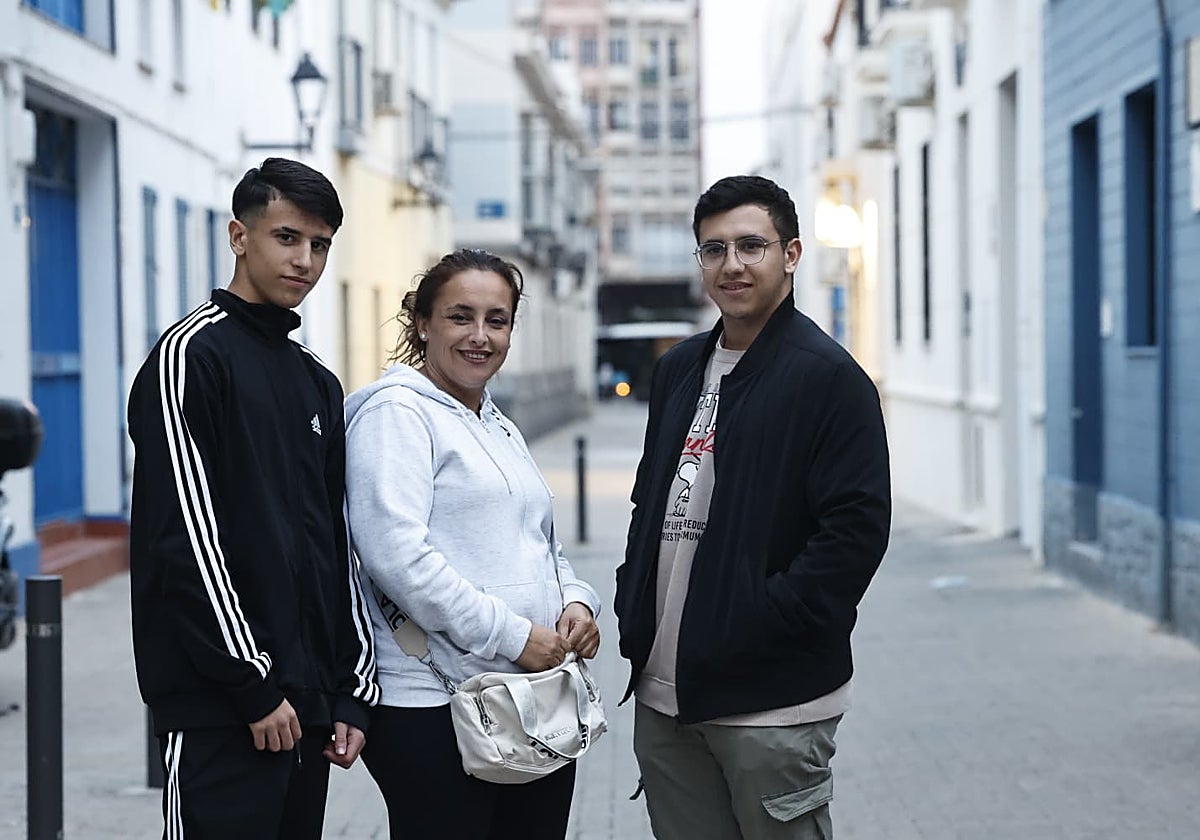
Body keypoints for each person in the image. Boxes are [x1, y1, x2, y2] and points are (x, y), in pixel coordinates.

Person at [614, 175, 891, 839]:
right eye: (713, 249)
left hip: (772, 702)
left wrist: (760, 621)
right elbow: (649, 502)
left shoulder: (829, 379)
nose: (731, 264)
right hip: (664, 695)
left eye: (750, 246)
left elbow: (854, 535)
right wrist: (632, 604)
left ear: (790, 254)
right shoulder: (679, 368)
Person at [127, 157, 379, 839]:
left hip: (307, 707)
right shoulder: (191, 356)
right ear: (240, 236)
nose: (305, 260)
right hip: (222, 706)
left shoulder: (316, 381)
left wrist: (351, 691)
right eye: (287, 237)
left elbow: (335, 542)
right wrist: (252, 684)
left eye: (320, 244)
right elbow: (187, 539)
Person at [343, 248, 602, 840]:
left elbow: (541, 543)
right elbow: (397, 558)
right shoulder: (396, 415)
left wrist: (577, 604)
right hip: (436, 705)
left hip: (527, 695)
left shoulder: (493, 420)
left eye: (497, 320)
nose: (480, 336)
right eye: (460, 317)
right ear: (423, 324)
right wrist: (515, 637)